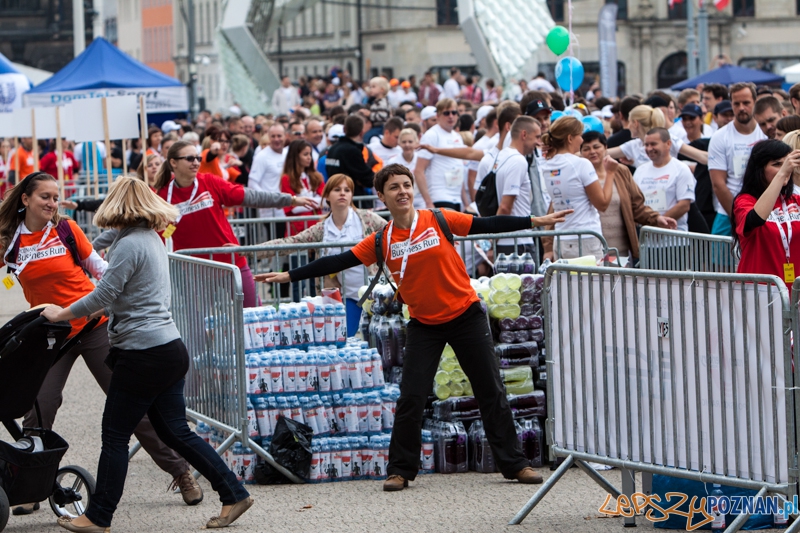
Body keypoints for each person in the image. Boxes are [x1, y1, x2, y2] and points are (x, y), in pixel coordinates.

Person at [254, 163, 573, 492]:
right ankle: (400, 470)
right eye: (394, 187)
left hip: (466, 315)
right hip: (424, 324)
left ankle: (515, 464)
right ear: (381, 196)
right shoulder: (382, 240)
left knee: (490, 391)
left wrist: (534, 221)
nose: (403, 191)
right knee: (411, 398)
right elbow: (339, 261)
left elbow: (485, 223)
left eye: (406, 185)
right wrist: (290, 275)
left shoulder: (438, 219)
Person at [40, 176, 253, 532]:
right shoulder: (152, 238)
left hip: (142, 354)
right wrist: (97, 311)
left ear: (116, 206)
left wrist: (62, 313)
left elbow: (103, 294)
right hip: (168, 349)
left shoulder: (127, 244)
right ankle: (234, 492)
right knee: (176, 432)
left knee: (115, 436)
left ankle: (99, 517)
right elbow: (129, 294)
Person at [0, 172, 202, 517]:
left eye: (56, 197)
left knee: (131, 406)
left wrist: (124, 292)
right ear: (25, 199)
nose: (52, 203)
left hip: (94, 326)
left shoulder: (66, 229)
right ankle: (30, 487)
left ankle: (180, 471)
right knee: (39, 406)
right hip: (51, 334)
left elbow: (100, 268)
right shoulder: (9, 240)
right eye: (45, 197)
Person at [155, 141, 317, 307]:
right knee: (198, 321)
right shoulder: (162, 196)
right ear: (173, 162)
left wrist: (290, 200)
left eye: (198, 158)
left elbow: (251, 197)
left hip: (231, 261)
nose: (196, 162)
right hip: (194, 271)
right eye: (190, 158)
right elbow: (159, 235)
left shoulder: (209, 182)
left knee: (254, 313)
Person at [257, 173, 388, 334]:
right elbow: (291, 242)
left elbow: (393, 232)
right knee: (347, 338)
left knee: (379, 340)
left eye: (347, 190)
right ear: (326, 196)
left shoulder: (367, 219)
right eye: (337, 189)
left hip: (375, 293)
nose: (342, 193)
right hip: (343, 298)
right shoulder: (322, 228)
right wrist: (248, 251)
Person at [543, 131, 676, 264]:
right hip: (589, 250)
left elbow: (636, 206)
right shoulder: (574, 173)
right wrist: (548, 248)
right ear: (581, 153)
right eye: (586, 149)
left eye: (596, 147)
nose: (592, 152)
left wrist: (656, 218)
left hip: (620, 251)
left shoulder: (621, 171)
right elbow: (556, 210)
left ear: (606, 148)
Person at [541, 116, 616, 261]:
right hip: (585, 239)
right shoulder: (581, 164)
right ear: (570, 138)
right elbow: (602, 204)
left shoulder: (548, 164)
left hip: (561, 238)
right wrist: (611, 173)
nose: (582, 140)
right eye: (580, 135)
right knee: (593, 277)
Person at [732, 140, 800, 287]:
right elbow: (756, 219)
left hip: (793, 289)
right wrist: (781, 174)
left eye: (786, 164)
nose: (785, 169)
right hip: (758, 290)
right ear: (759, 168)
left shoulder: (795, 200)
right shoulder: (744, 201)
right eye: (777, 164)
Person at [708, 83, 768, 237]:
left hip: (764, 211)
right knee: (718, 253)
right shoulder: (720, 137)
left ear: (755, 102)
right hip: (728, 213)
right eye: (736, 103)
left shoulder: (766, 133)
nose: (741, 108)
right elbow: (718, 184)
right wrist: (738, 217)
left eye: (746, 103)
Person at [633, 128, 696, 232]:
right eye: (646, 145)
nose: (649, 148)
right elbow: (635, 202)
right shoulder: (640, 170)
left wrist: (657, 223)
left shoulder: (681, 169)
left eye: (653, 144)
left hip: (673, 237)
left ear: (668, 144)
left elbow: (684, 205)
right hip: (646, 236)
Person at [607, 105, 708, 169]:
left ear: (636, 123)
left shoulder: (668, 138)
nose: (628, 126)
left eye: (629, 122)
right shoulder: (633, 145)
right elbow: (603, 154)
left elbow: (702, 156)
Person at [415, 98, 465, 210]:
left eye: (454, 112)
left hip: (456, 197)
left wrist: (465, 203)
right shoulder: (432, 135)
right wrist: (428, 202)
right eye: (446, 113)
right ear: (438, 116)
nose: (451, 116)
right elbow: (419, 171)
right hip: (439, 196)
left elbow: (459, 167)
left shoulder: (457, 136)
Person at [280, 140, 325, 236]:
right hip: (297, 229)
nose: (309, 157)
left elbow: (325, 199)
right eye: (305, 154)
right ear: (296, 156)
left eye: (310, 154)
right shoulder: (286, 179)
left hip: (316, 226)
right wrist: (315, 201)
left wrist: (303, 202)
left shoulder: (316, 177)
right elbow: (292, 207)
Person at [325, 114, 376, 196]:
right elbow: (367, 178)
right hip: (350, 197)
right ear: (361, 133)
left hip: (336, 194)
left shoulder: (333, 148)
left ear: (344, 129)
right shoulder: (352, 151)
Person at [249, 124, 288, 219]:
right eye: (273, 136)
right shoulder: (262, 156)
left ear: (285, 136)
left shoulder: (288, 154)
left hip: (287, 211)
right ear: (268, 137)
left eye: (279, 136)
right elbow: (252, 183)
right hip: (271, 213)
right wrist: (270, 199)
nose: (276, 139)